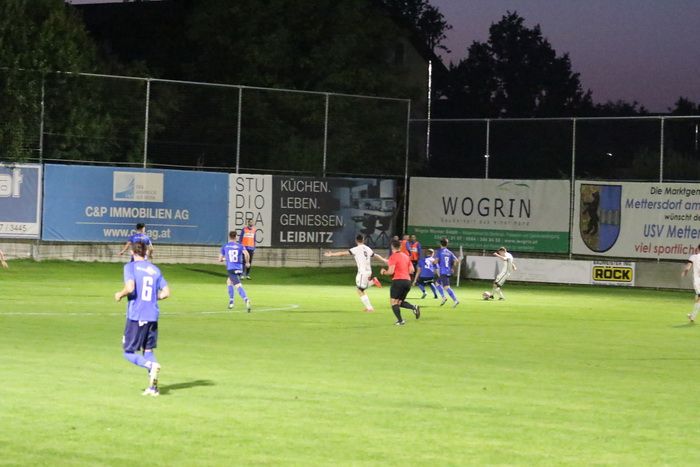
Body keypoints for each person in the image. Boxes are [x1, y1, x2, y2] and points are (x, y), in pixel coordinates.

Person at [114, 241, 170, 397]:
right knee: (148, 350)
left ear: (132, 252)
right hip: (152, 316)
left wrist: (119, 294)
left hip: (137, 316)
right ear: (145, 252)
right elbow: (166, 293)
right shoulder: (155, 270)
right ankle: (153, 388)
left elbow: (130, 288)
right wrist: (153, 297)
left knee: (128, 352)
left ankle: (150, 365)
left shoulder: (130, 267)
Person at [324, 234, 383, 312]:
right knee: (361, 289)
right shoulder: (368, 248)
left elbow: (342, 253)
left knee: (360, 290)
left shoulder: (355, 249)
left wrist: (331, 254)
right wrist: (384, 260)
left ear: (356, 241)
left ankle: (370, 304)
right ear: (363, 240)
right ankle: (368, 306)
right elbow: (375, 255)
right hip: (368, 271)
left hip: (362, 272)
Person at [379, 239, 420, 325]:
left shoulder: (393, 256)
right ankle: (414, 307)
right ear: (400, 247)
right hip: (407, 281)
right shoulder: (406, 256)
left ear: (392, 247)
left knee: (393, 302)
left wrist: (383, 272)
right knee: (399, 302)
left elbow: (391, 271)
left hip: (398, 281)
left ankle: (400, 321)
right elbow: (412, 270)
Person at [219, 231, 252, 312]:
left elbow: (220, 259)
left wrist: (226, 259)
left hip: (231, 269)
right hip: (239, 268)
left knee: (237, 285)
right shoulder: (240, 246)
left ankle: (246, 299)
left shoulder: (225, 246)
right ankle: (231, 302)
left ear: (229, 237)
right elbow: (247, 254)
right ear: (236, 237)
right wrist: (247, 262)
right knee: (229, 282)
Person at [435, 237, 460, 307]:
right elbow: (456, 261)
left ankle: (455, 300)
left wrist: (433, 262)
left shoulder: (439, 251)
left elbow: (436, 261)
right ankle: (443, 297)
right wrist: (452, 267)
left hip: (443, 272)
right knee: (437, 283)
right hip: (447, 271)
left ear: (440, 244)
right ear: (447, 244)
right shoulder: (449, 252)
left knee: (446, 287)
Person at [681, 244, 700, 322]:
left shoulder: (693, 257)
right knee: (698, 298)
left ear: (698, 248)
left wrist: (685, 272)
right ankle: (692, 316)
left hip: (697, 281)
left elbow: (688, 267)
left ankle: (692, 316)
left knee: (698, 298)